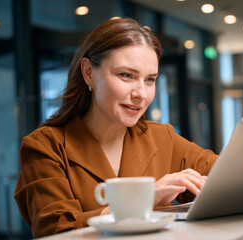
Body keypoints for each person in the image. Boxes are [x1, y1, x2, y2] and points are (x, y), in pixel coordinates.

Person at [14, 17, 218, 238]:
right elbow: (56, 231)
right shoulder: (45, 146)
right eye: (126, 75)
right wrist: (143, 199)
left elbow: (230, 178)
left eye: (150, 79)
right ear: (88, 73)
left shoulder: (162, 137)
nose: (141, 93)